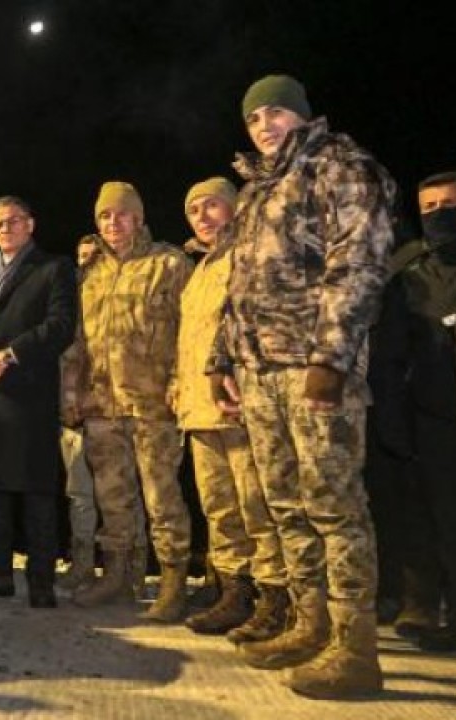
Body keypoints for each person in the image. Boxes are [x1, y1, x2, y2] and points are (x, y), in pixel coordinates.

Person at [207, 75, 395, 698]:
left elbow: (360, 263)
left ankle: (356, 649)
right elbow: (240, 286)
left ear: (303, 115)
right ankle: (309, 624)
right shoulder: (260, 189)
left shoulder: (340, 167)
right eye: (254, 117)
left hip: (314, 370)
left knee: (335, 506)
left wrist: (331, 358)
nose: (264, 124)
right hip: (260, 372)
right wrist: (221, 360)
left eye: (277, 112)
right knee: (285, 504)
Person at [69, 182, 194, 624]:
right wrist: (72, 394)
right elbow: (77, 342)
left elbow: (190, 332)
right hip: (102, 405)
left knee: (162, 497)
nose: (113, 223)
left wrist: (182, 383)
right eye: (105, 216)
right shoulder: (89, 272)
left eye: (121, 215)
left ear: (138, 218)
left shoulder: (169, 263)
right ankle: (118, 576)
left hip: (154, 404)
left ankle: (174, 581)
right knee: (113, 497)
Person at [173, 177, 289, 639]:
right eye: (194, 210)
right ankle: (234, 592)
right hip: (200, 409)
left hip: (241, 405)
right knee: (219, 507)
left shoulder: (250, 256)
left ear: (235, 209)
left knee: (256, 503)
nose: (202, 216)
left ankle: (276, 598)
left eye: (212, 206)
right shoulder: (200, 267)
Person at [0, 196, 76, 608]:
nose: (6, 229)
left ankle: (41, 579)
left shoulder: (54, 269)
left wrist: (6, 356)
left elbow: (59, 327)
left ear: (31, 224)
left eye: (14, 221)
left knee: (37, 493)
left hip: (29, 396)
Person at [394, 169, 456, 653]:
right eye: (430, 209)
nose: (440, 216)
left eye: (451, 205)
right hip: (435, 420)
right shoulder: (410, 270)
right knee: (449, 523)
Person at [56, 235, 100, 592]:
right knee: (79, 495)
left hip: (110, 413)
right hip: (71, 416)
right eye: (81, 258)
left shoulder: (109, 305)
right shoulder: (68, 305)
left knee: (124, 497)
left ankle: (130, 570)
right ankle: (83, 564)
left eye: (94, 257)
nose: (86, 264)